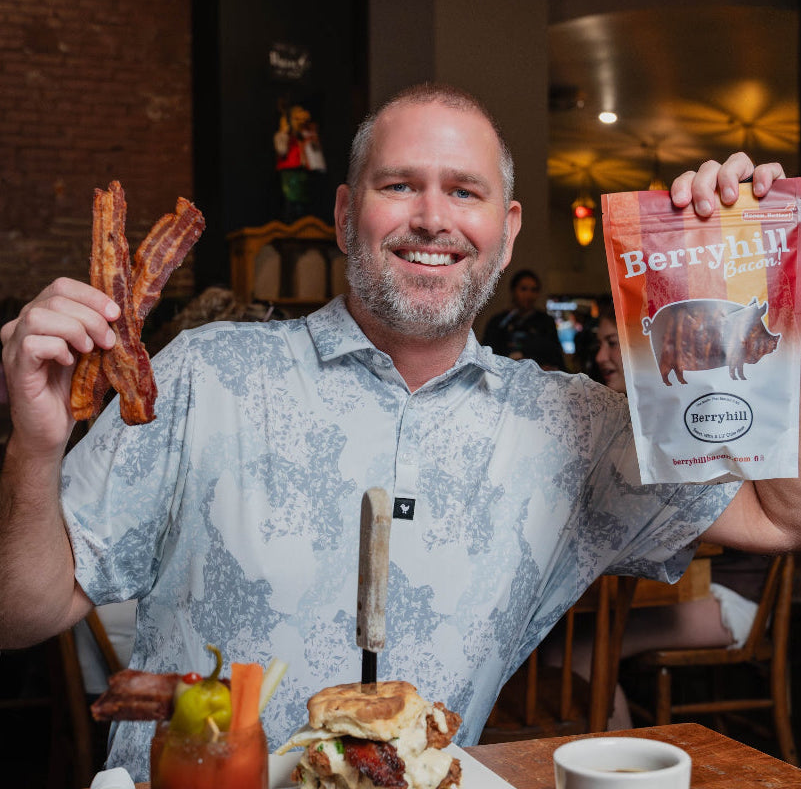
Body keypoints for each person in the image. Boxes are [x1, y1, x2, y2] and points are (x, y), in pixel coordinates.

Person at [0, 83, 796, 779]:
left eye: (463, 192)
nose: (430, 218)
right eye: (398, 185)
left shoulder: (572, 425)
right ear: (347, 213)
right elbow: (20, 615)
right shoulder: (206, 374)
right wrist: (34, 444)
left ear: (507, 228)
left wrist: (753, 275)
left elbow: (777, 514)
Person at [542, 300, 768, 728]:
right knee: (565, 643)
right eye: (600, 344)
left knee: (575, 652)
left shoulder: (688, 418)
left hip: (725, 598)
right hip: (685, 588)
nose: (602, 356)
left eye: (614, 343)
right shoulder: (635, 421)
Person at [482, 268, 565, 369]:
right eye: (523, 289)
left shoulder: (546, 322)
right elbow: (486, 357)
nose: (529, 295)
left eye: (534, 290)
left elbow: (556, 357)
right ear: (513, 291)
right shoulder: (498, 322)